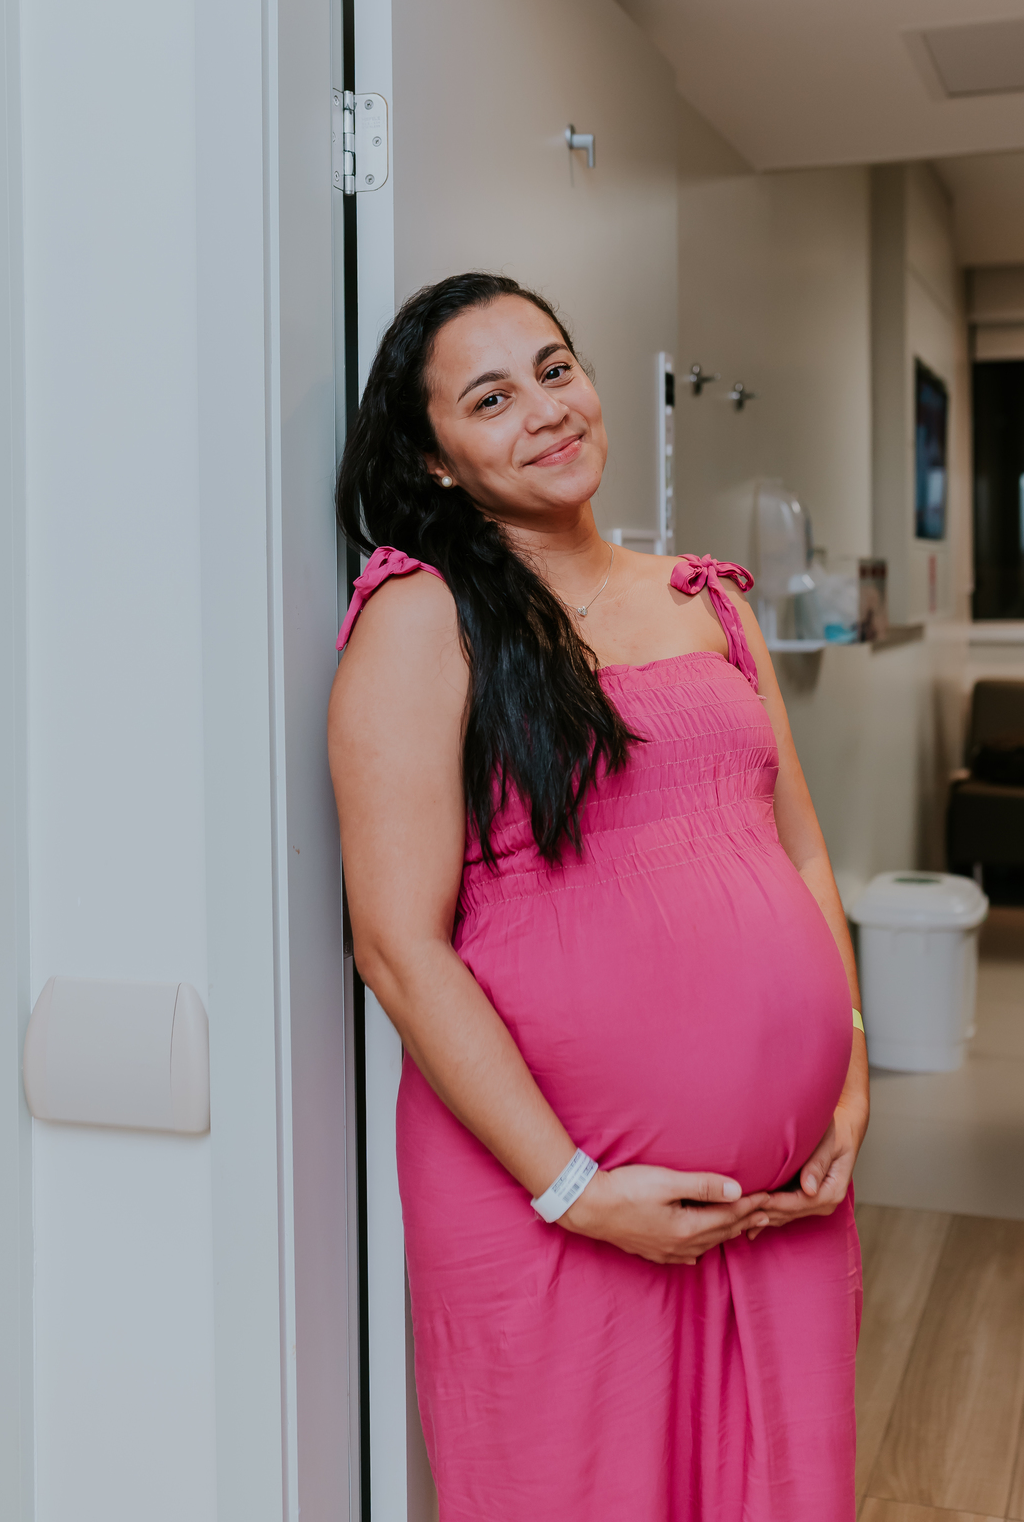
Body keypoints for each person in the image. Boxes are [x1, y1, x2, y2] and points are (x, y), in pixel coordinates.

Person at [328, 272, 869, 1521]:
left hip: (784, 1202)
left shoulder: (707, 598)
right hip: (554, 1204)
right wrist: (576, 1187)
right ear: (436, 458)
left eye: (555, 369)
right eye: (492, 396)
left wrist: (844, 1074)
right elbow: (398, 947)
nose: (546, 410)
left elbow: (798, 849)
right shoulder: (425, 618)